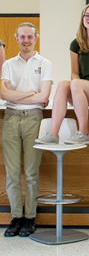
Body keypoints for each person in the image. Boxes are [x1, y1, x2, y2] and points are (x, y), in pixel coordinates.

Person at [35, 2, 89, 145]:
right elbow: (74, 72)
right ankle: (53, 134)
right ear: (82, 18)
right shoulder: (76, 43)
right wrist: (78, 85)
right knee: (62, 85)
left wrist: (83, 85)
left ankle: (83, 133)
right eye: (87, 15)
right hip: (80, 92)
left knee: (77, 84)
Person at [1, 23, 53, 237]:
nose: (26, 40)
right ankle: (16, 217)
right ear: (16, 39)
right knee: (12, 174)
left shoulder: (45, 63)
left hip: (34, 120)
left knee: (31, 173)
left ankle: (30, 218)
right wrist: (32, 93)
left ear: (35, 38)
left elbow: (44, 97)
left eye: (29, 37)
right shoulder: (8, 65)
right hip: (11, 119)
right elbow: (5, 96)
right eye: (22, 37)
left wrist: (18, 94)